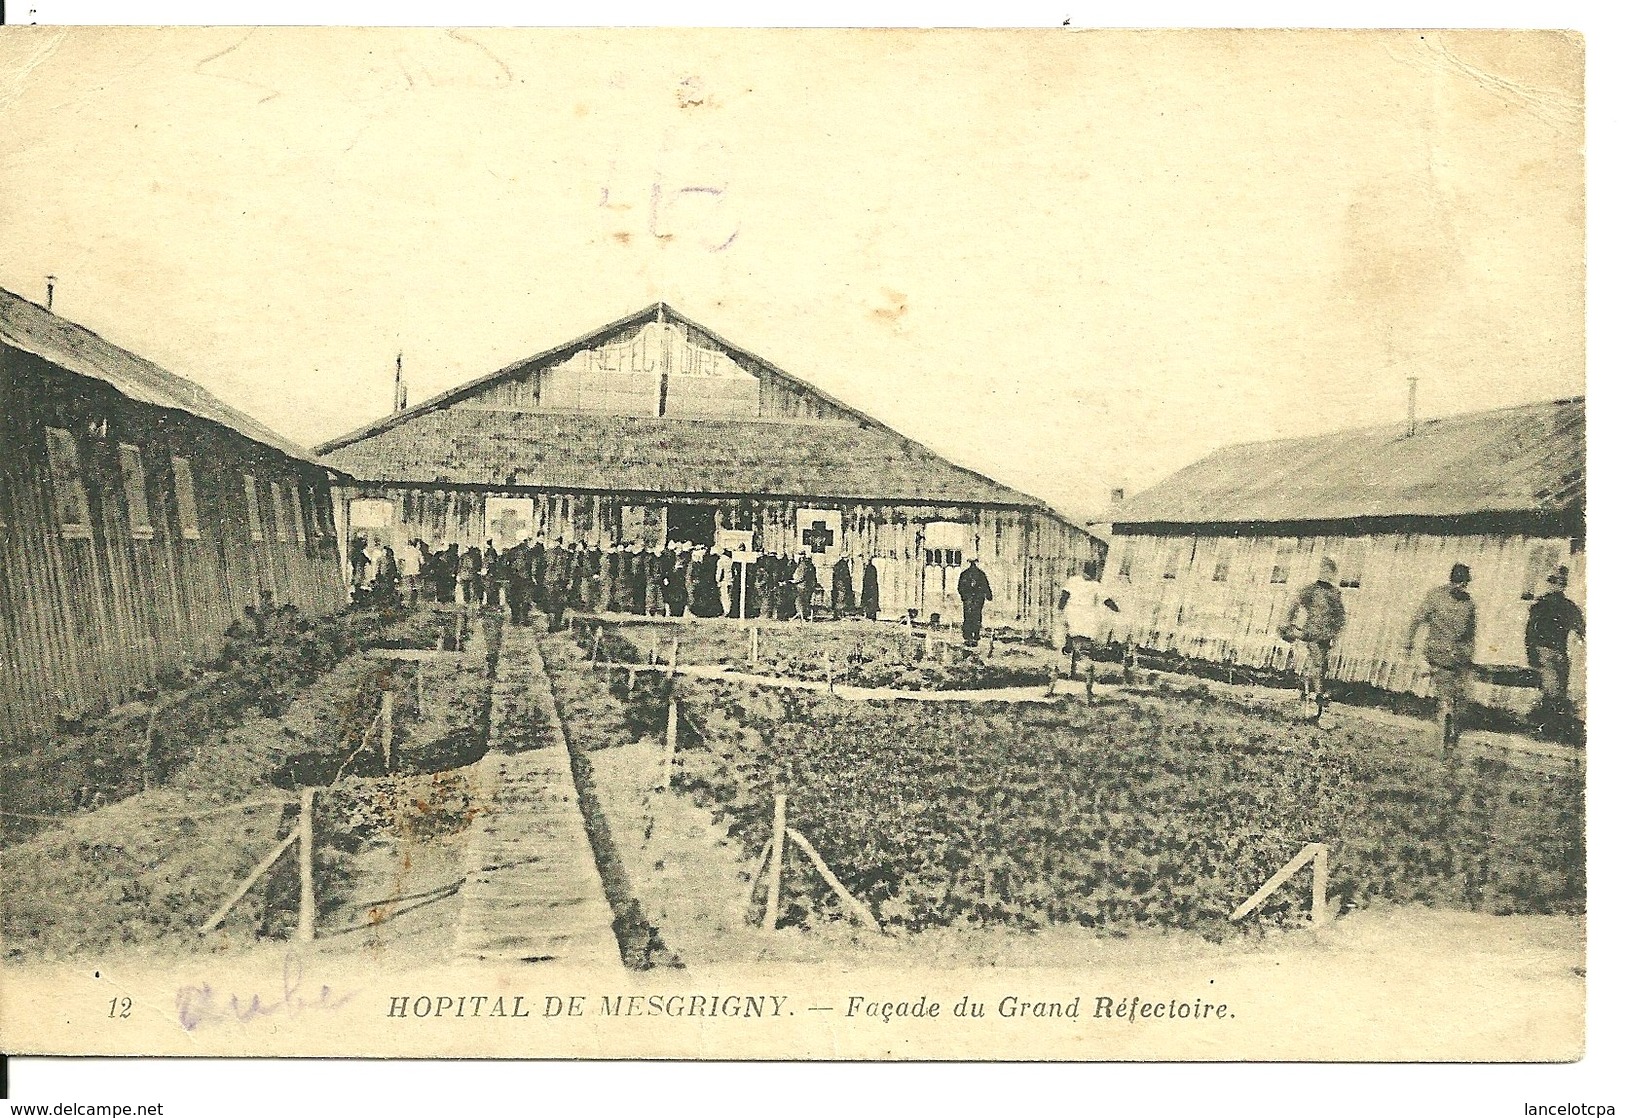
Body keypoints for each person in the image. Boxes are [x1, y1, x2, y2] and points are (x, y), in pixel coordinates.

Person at [1405, 563, 1478, 749]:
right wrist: (1408, 643)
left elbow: (1470, 633)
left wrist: (1468, 654)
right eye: (1458, 583)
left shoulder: (1469, 604)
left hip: (1459, 656)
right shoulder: (1436, 596)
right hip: (1438, 653)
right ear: (1452, 581)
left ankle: (1449, 723)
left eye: (1464, 584)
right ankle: (1445, 732)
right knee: (1446, 693)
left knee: (1458, 695)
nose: (1461, 587)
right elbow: (1417, 619)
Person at [1284, 557, 1348, 722]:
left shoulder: (1334, 593)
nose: (1326, 574)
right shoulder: (1311, 590)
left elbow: (1340, 617)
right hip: (1311, 632)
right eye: (1324, 570)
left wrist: (1336, 634)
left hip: (1326, 635)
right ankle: (1316, 697)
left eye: (1330, 571)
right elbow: (1294, 603)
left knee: (1320, 666)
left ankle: (1312, 695)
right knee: (1317, 663)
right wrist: (1288, 623)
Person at [1525, 565, 1585, 741]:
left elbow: (1581, 627)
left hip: (1558, 653)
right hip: (1547, 652)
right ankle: (1547, 729)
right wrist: (1532, 654)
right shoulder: (1543, 605)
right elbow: (1530, 632)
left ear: (1562, 586)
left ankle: (1551, 728)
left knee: (1558, 692)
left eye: (1560, 583)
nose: (1556, 586)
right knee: (1552, 691)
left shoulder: (1566, 606)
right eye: (1554, 582)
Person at [1056, 561, 1117, 679]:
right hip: (1083, 616)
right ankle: (1077, 663)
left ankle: (1072, 666)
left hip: (1077, 615)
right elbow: (1107, 601)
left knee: (1074, 638)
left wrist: (1060, 610)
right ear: (1094, 572)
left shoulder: (1075, 581)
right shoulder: (1093, 584)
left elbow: (1064, 597)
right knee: (1082, 641)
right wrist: (1117, 610)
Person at [956, 556, 994, 646]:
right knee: (970, 616)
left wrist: (988, 595)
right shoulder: (966, 574)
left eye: (974, 564)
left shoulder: (980, 574)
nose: (973, 566)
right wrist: (964, 596)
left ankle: (975, 634)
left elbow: (985, 585)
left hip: (976, 599)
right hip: (970, 599)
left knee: (975, 616)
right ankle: (969, 635)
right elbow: (960, 587)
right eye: (972, 563)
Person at [793, 549, 820, 621]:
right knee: (806, 601)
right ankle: (805, 616)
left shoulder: (802, 564)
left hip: (802, 586)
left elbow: (800, 576)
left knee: (799, 601)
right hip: (809, 586)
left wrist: (794, 581)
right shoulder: (809, 564)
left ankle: (802, 617)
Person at [398, 537, 425, 608]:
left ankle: (407, 604)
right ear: (416, 544)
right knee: (417, 588)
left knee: (408, 588)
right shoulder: (418, 552)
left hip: (406, 572)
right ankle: (415, 605)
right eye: (419, 544)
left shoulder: (405, 551)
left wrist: (401, 569)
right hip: (416, 572)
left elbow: (400, 560)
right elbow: (422, 562)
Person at [831, 553, 855, 619]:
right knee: (840, 599)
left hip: (839, 585)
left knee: (839, 599)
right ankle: (839, 614)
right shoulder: (842, 565)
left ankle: (838, 614)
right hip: (841, 585)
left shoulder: (839, 564)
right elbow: (842, 577)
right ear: (844, 558)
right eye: (847, 558)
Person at [861, 555, 881, 621]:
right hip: (870, 587)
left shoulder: (870, 569)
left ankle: (871, 615)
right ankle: (869, 614)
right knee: (869, 601)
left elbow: (871, 580)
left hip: (870, 588)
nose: (863, 561)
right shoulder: (869, 568)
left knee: (871, 601)